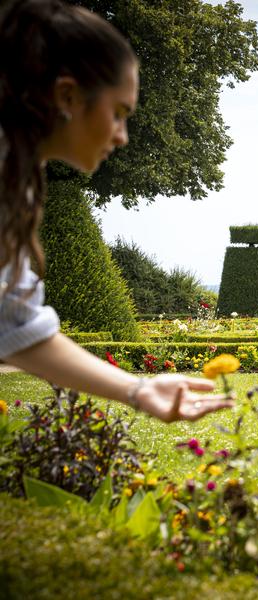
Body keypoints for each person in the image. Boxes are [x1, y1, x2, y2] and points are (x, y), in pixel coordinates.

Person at [0, 0, 233, 422]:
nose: (123, 136)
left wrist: (139, 389)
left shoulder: (17, 176)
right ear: (67, 95)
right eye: (119, 113)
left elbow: (15, 326)